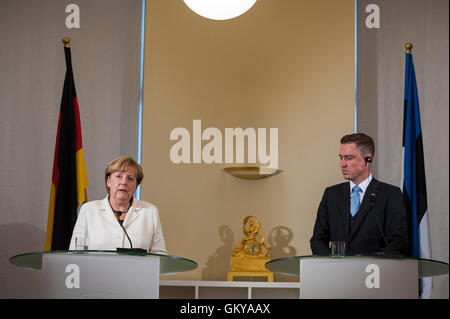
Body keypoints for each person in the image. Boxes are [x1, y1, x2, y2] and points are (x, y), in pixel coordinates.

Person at [310, 133, 407, 256]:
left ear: (368, 159)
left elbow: (398, 242)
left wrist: (367, 264)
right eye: (341, 158)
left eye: (348, 158)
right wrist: (333, 262)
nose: (343, 164)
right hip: (336, 272)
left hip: (374, 273)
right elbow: (317, 240)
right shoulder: (331, 195)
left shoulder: (390, 194)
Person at [69, 156, 167, 254]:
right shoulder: (89, 210)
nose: (124, 182)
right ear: (108, 181)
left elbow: (159, 255)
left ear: (136, 186)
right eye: (118, 176)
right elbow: (75, 253)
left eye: (130, 178)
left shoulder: (150, 212)